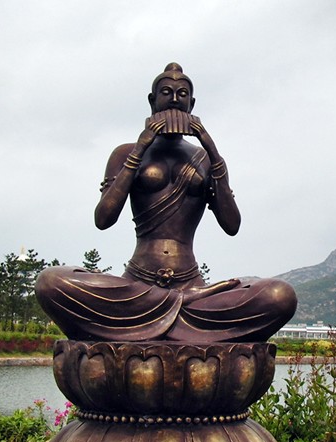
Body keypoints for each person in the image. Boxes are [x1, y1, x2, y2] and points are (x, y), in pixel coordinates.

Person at [36, 63, 297, 343]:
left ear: (191, 104)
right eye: (166, 92)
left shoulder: (206, 159)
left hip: (193, 285)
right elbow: (103, 219)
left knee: (280, 295)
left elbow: (232, 225)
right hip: (137, 284)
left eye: (182, 94)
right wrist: (140, 149)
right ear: (152, 101)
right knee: (50, 282)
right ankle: (177, 313)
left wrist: (211, 148)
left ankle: (167, 313)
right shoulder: (125, 153)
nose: (174, 99)